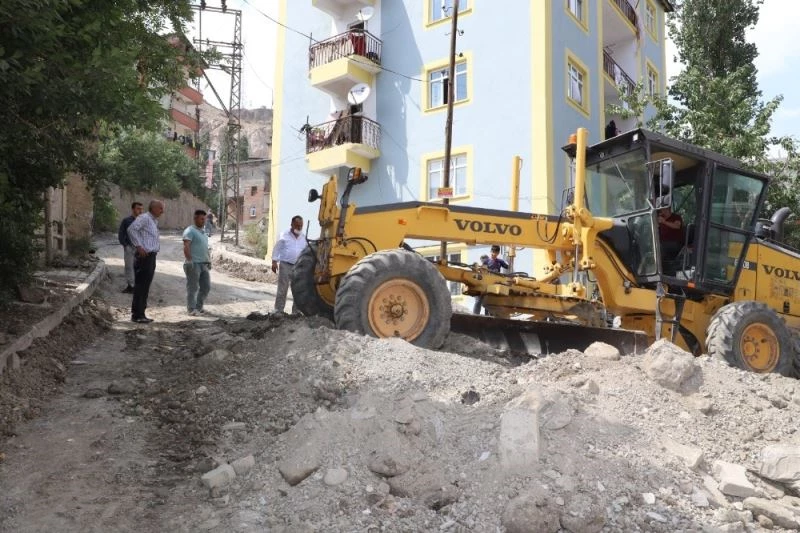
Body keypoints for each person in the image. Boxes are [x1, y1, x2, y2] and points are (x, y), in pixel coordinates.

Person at [127, 200, 164, 323]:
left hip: (151, 256)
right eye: (160, 208)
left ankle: (141, 313)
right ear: (153, 208)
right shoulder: (145, 218)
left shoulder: (153, 221)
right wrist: (138, 246)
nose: (162, 211)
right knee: (141, 286)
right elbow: (131, 229)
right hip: (144, 257)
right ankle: (137, 315)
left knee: (145, 286)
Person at [271, 215, 306, 314]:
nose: (299, 228)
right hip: (285, 265)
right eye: (297, 225)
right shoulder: (284, 235)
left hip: (299, 267)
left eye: (301, 226)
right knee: (283, 289)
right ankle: (278, 310)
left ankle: (296, 312)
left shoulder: (303, 237)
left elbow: (306, 251)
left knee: (298, 290)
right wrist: (274, 261)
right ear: (292, 224)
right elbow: (277, 248)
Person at [183, 210, 212, 316]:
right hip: (194, 264)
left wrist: (208, 261)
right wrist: (189, 260)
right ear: (195, 218)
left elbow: (205, 248)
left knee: (206, 287)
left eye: (205, 219)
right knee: (193, 287)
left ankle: (198, 308)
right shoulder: (190, 231)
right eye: (201, 219)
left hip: (204, 264)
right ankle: (191, 309)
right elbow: (186, 246)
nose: (204, 221)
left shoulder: (203, 232)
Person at [473, 245, 509, 314]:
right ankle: (475, 315)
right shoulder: (486, 261)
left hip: (495, 284)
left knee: (490, 301)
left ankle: (489, 316)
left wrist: (508, 258)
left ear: (498, 253)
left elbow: (507, 267)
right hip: (486, 282)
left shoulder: (500, 261)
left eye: (496, 253)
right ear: (491, 252)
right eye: (493, 252)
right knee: (479, 300)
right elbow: (483, 272)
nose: (494, 254)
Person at [117, 202, 143, 293]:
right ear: (133, 209)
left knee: (139, 268)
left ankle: (138, 287)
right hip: (130, 247)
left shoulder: (143, 221)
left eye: (141, 209)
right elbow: (121, 233)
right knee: (129, 267)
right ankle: (130, 286)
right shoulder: (126, 221)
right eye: (138, 208)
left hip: (141, 249)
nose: (140, 211)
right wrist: (125, 245)